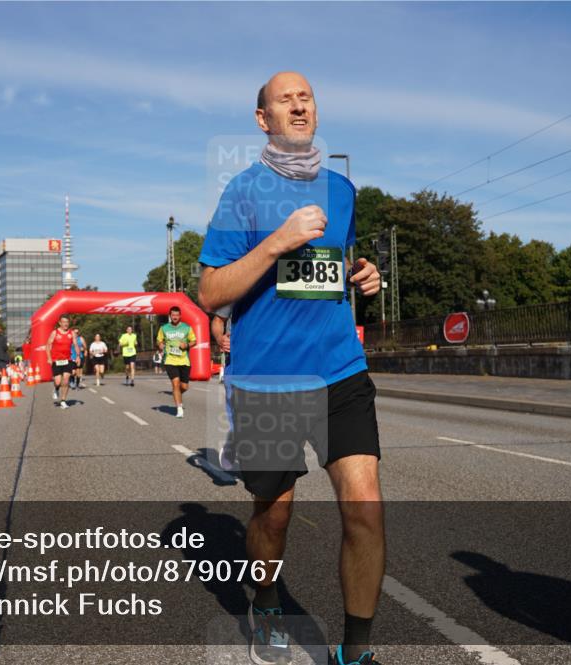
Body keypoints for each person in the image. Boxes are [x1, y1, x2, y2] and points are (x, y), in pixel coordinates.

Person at [197, 72, 385, 665]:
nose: (300, 104)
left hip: (339, 369)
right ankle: (267, 602)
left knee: (365, 504)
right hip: (269, 379)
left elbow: (336, 268)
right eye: (286, 98)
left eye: (306, 97)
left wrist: (366, 279)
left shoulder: (341, 190)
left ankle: (355, 653)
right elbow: (209, 291)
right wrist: (275, 242)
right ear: (263, 119)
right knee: (273, 515)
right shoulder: (243, 191)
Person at [157, 306, 196, 418]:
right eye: (173, 315)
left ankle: (176, 393)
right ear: (170, 316)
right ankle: (179, 409)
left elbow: (194, 341)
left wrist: (187, 345)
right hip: (170, 359)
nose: (175, 317)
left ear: (180, 316)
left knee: (184, 387)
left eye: (176, 315)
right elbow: (159, 340)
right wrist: (160, 345)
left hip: (184, 360)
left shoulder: (187, 328)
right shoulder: (164, 328)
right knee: (175, 383)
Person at [210, 307, 236, 470]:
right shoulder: (236, 285)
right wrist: (220, 338)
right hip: (237, 358)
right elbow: (218, 320)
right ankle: (235, 438)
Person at [46, 314, 79, 409]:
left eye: (67, 322)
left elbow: (76, 345)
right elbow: (48, 345)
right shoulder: (54, 333)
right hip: (56, 360)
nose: (65, 324)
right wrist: (49, 357)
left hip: (67, 360)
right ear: (60, 323)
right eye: (63, 322)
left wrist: (77, 356)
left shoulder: (71, 333)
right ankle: (56, 388)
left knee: (66, 380)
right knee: (58, 382)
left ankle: (63, 400)